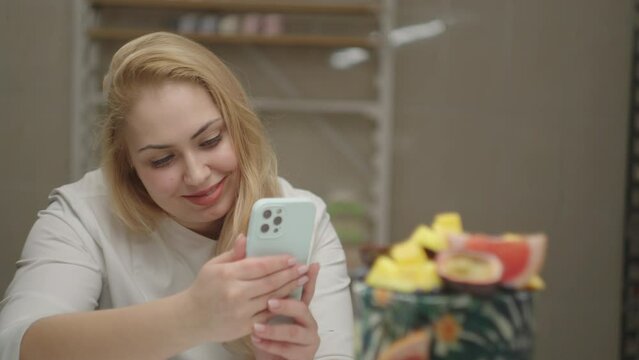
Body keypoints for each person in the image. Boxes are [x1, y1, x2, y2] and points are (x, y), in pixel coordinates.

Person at [0, 32, 354, 360]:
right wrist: (190, 318)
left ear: (239, 127)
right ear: (128, 167)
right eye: (162, 159)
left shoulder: (306, 217)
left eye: (211, 140)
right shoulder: (83, 215)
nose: (197, 174)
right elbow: (15, 344)